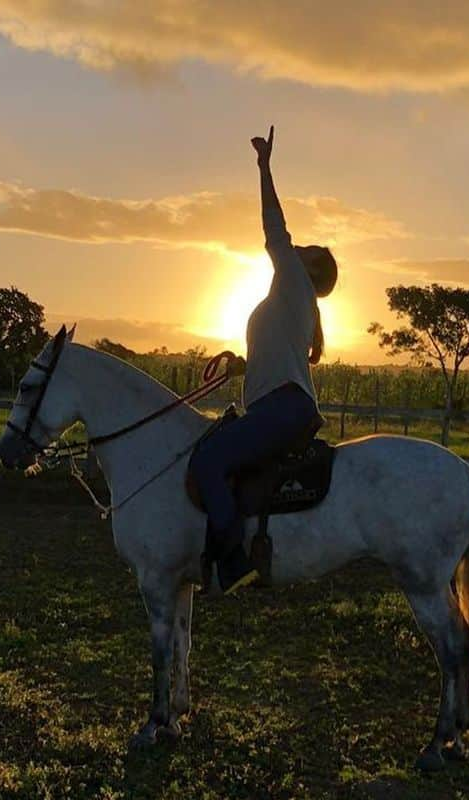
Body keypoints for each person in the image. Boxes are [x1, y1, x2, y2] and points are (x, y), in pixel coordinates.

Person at [191, 125, 338, 594]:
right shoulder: (291, 299)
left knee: (209, 461)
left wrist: (264, 167)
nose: (299, 247)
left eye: (307, 250)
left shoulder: (293, 277)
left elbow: (275, 226)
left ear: (310, 268)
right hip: (279, 404)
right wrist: (242, 365)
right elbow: (272, 355)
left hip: (281, 407)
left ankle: (232, 560)